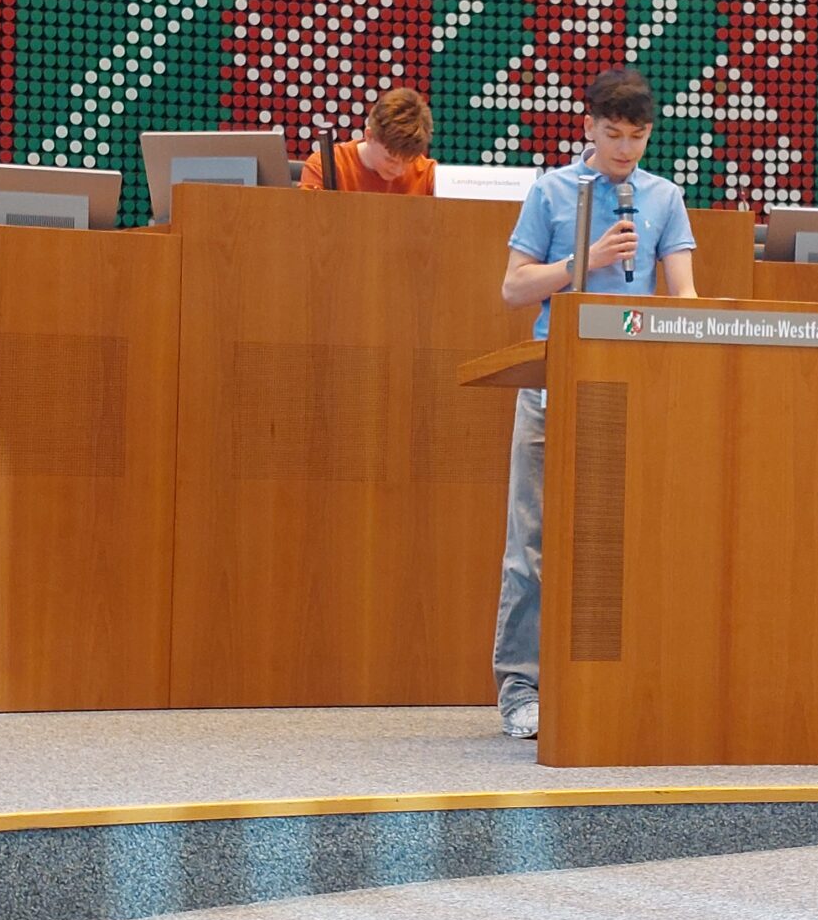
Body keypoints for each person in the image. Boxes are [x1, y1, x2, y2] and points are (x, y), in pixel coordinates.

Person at [489, 68, 699, 740]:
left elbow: (684, 296)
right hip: (552, 387)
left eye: (637, 136)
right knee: (532, 545)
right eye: (613, 135)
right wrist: (586, 259)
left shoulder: (664, 197)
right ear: (589, 127)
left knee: (631, 539)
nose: (625, 149)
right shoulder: (551, 191)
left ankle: (622, 680)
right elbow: (514, 289)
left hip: (634, 389)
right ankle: (520, 690)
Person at [298, 87, 437, 194]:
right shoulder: (324, 167)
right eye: (390, 160)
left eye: (408, 161)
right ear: (370, 136)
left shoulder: (429, 174)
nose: (399, 170)